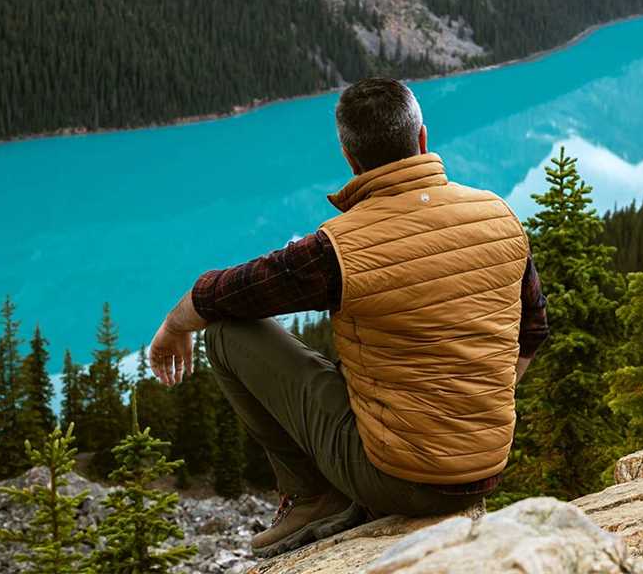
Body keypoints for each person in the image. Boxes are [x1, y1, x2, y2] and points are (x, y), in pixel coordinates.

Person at [147, 78, 549, 558]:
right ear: (422, 139)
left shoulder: (338, 248)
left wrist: (174, 326)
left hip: (395, 478)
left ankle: (311, 496)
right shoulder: (497, 214)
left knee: (227, 336)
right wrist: (468, 411)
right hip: (486, 468)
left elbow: (229, 294)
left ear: (349, 156)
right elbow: (534, 330)